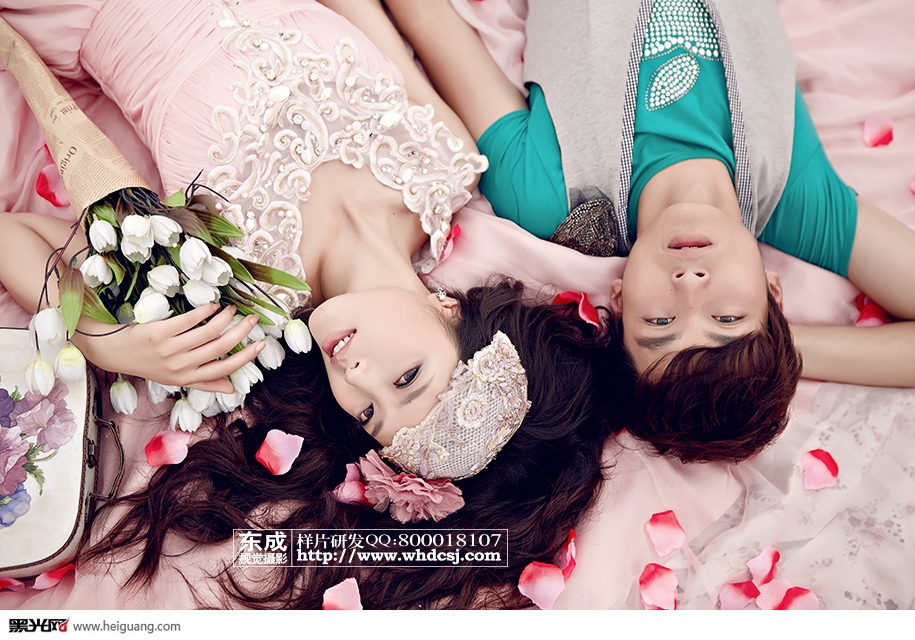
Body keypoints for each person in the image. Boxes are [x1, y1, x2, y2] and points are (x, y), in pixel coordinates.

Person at [0, 0, 626, 608]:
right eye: (406, 378)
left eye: (370, 416)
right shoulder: (445, 162)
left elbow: (14, 237)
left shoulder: (239, 297)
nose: (357, 377)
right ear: (451, 311)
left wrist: (109, 341)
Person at [383, 0, 915, 462]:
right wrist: (770, 354)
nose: (690, 286)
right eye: (728, 317)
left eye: (660, 320)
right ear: (773, 291)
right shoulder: (795, 194)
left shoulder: (548, 193)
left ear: (618, 297)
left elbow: (430, 20)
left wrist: (744, 343)